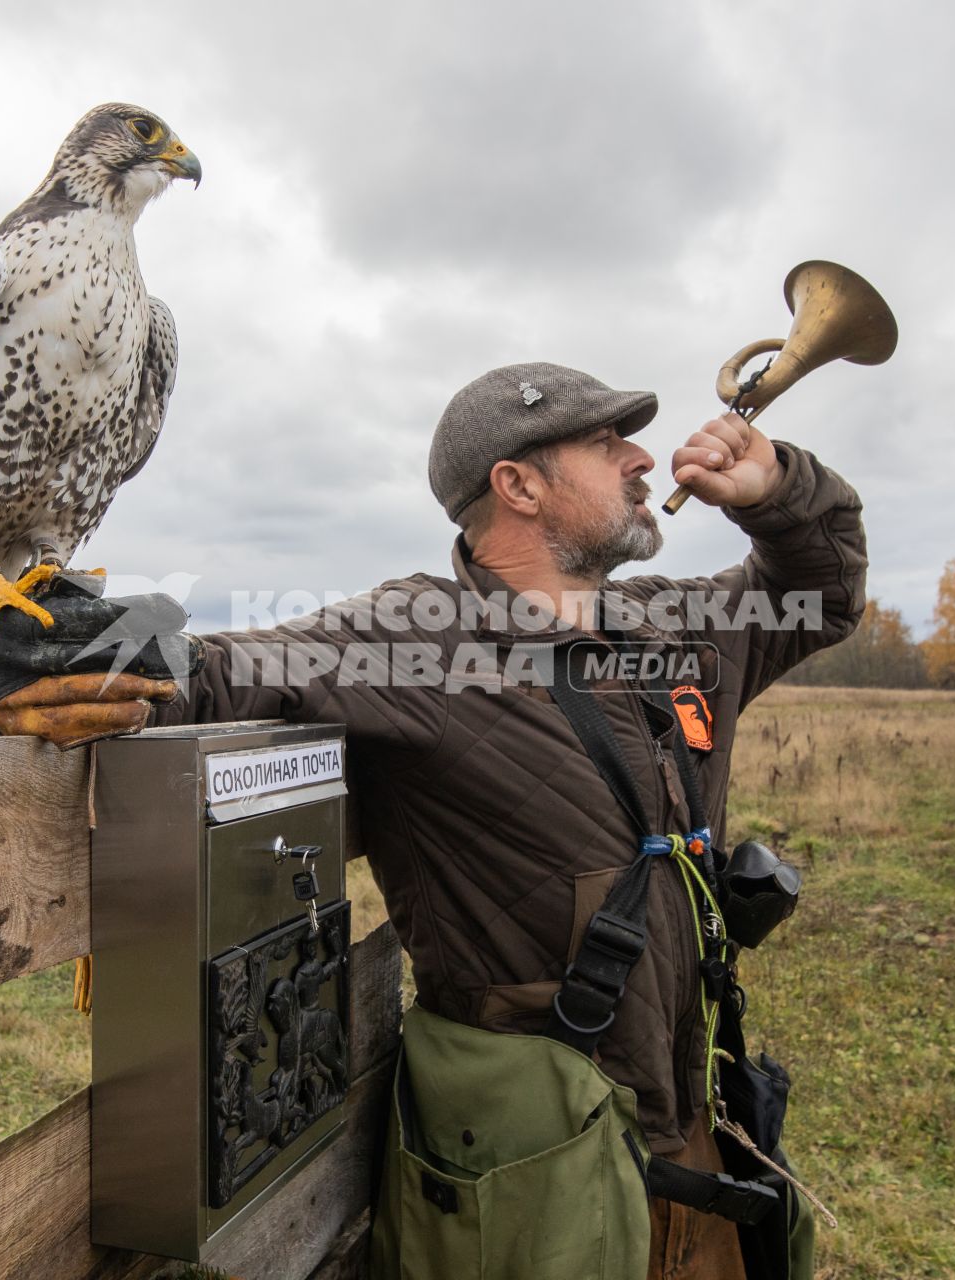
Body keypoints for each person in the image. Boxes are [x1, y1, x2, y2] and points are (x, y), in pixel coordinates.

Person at [152, 361, 865, 1279]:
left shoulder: (667, 628)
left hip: (697, 1137)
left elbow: (825, 595)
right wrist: (69, 632)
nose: (645, 459)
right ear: (518, 485)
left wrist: (779, 492)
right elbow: (205, 669)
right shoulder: (415, 637)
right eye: (608, 445)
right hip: (540, 1170)